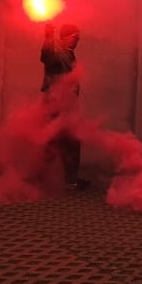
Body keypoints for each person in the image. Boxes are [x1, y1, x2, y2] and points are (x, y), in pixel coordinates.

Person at [41, 22, 86, 188]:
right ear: (64, 38)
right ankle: (44, 179)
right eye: (74, 37)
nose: (76, 41)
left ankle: (69, 181)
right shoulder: (57, 52)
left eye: (78, 38)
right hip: (56, 106)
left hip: (68, 106)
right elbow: (46, 57)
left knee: (69, 142)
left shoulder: (69, 54)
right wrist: (48, 36)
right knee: (53, 141)